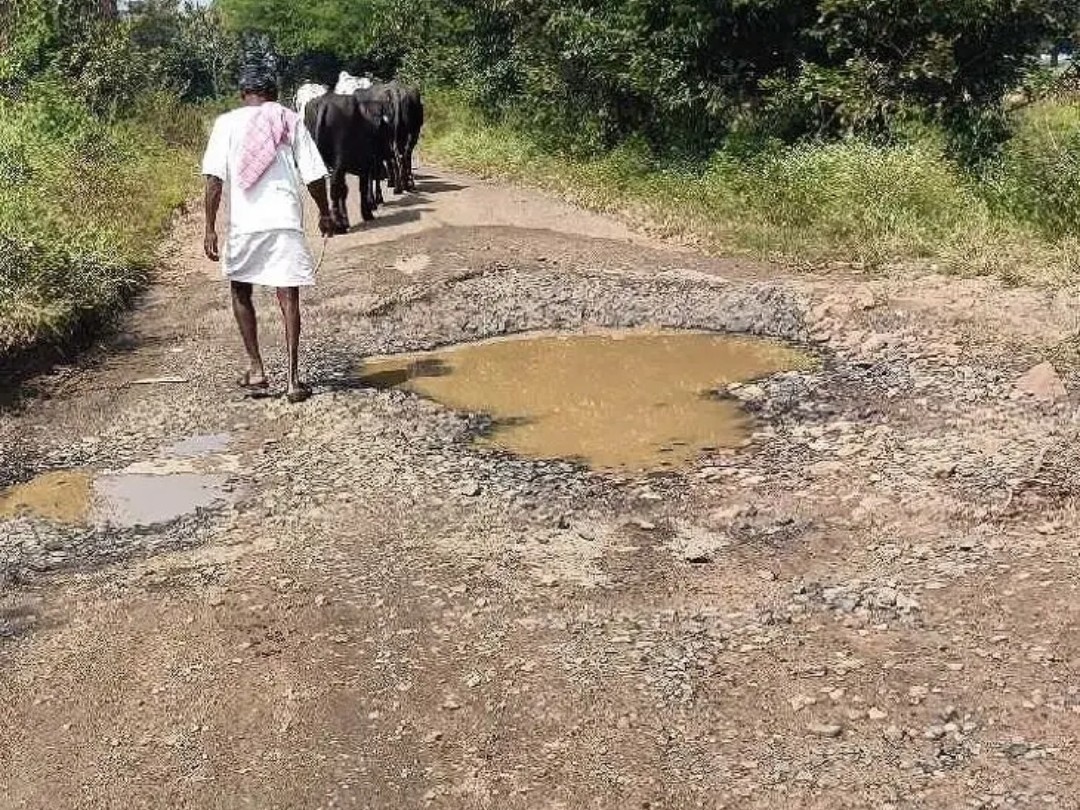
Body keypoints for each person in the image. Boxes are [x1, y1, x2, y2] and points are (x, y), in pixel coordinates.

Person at [201, 63, 335, 403]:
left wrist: (209, 227)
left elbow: (214, 180)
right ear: (273, 93)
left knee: (240, 290)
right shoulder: (288, 119)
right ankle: (292, 382)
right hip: (284, 219)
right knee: (288, 297)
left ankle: (257, 367)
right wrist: (325, 211)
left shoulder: (225, 124)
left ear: (243, 94)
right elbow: (314, 174)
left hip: (245, 224)